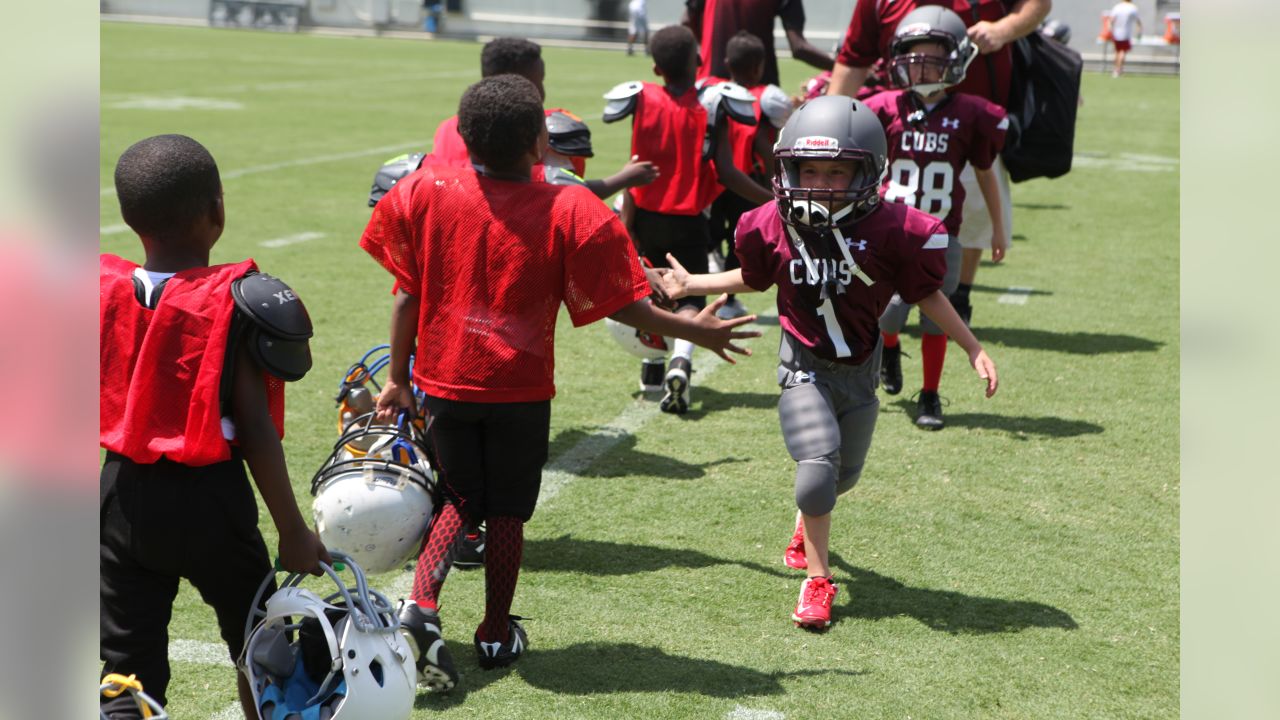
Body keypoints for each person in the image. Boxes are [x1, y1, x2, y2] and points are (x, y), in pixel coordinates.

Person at [361, 74, 759, 689]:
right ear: (540, 141)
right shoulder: (569, 206)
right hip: (518, 389)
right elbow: (624, 306)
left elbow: (406, 293)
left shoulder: (427, 188)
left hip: (443, 379)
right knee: (510, 513)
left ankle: (422, 604)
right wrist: (696, 331)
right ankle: (495, 630)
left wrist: (397, 378)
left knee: (458, 499)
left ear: (463, 135)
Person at [660, 96, 998, 630]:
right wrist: (694, 283)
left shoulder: (898, 228)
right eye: (809, 169)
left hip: (859, 370)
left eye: (837, 172)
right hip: (803, 364)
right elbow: (755, 276)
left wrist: (972, 346)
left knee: (843, 478)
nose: (819, 183)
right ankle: (817, 583)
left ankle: (806, 521)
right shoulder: (769, 221)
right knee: (817, 471)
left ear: (868, 171)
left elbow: (926, 293)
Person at [100, 134, 331, 718]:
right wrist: (293, 529)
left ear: (130, 219)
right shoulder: (230, 301)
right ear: (217, 211)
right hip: (210, 501)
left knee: (126, 664)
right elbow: (254, 428)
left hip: (121, 498)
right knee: (262, 645)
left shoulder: (98, 290)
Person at [828, 0, 1050, 328]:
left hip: (969, 125)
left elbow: (1039, 3)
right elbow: (853, 58)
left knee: (970, 220)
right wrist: (828, 125)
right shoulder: (878, 8)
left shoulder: (976, 113)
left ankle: (959, 296)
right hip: (902, 130)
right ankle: (889, 315)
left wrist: (1004, 29)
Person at [603, 24, 772, 413]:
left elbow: (635, 165)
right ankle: (680, 360)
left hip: (643, 215)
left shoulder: (641, 97)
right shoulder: (714, 102)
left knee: (653, 289)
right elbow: (728, 174)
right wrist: (771, 200)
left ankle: (652, 367)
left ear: (656, 68)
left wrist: (626, 224)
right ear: (698, 60)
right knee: (690, 295)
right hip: (690, 220)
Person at [863, 6, 1009, 430]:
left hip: (941, 234)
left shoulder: (971, 112)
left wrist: (998, 227)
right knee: (886, 313)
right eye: (914, 59)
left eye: (931, 59)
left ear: (956, 60)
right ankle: (889, 350)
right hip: (889, 233)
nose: (921, 68)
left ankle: (929, 393)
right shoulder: (884, 106)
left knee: (936, 321)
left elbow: (984, 173)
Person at [425, 37, 659, 199]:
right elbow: (564, 191)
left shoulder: (447, 128)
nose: (543, 90)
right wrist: (622, 179)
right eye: (539, 80)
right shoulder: (536, 128)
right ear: (515, 82)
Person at [706, 30, 794, 320]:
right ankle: (728, 298)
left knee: (711, 232)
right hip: (747, 178)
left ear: (728, 62)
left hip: (710, 177)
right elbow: (766, 143)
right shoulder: (768, 97)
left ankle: (708, 282)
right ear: (759, 66)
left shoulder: (708, 88)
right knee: (738, 240)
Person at [684, 0, 833, 87]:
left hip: (709, 85)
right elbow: (799, 47)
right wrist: (842, 67)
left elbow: (687, 21)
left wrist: (705, 49)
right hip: (758, 92)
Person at [1108, 0, 1142, 77]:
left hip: (1116, 32)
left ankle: (1115, 69)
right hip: (1126, 33)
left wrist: (1110, 30)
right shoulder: (1133, 8)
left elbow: (1111, 20)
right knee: (1123, 51)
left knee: (1117, 51)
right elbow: (1138, 21)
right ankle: (1119, 70)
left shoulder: (1117, 7)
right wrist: (1139, 32)